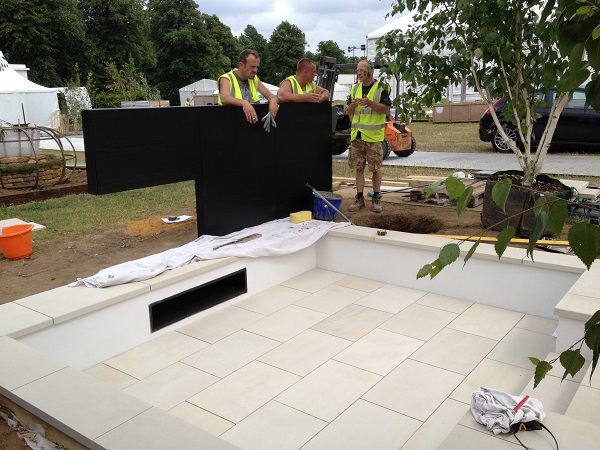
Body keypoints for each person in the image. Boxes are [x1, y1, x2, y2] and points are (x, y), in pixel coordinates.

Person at [346, 59, 391, 213]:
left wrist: (369, 102)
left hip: (373, 136)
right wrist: (351, 106)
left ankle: (376, 198)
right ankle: (359, 198)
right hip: (357, 135)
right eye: (357, 70)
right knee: (359, 168)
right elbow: (350, 113)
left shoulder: (381, 88)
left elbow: (385, 109)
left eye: (361, 70)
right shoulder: (354, 88)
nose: (358, 73)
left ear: (370, 71)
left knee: (375, 168)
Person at [218, 49, 279, 123]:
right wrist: (244, 103)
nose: (255, 70)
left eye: (257, 67)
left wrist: (273, 101)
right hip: (231, 124)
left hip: (250, 125)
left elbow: (270, 96)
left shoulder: (254, 79)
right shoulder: (226, 78)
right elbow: (224, 98)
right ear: (241, 65)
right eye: (252, 67)